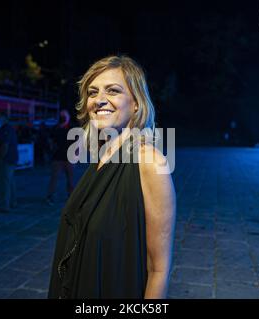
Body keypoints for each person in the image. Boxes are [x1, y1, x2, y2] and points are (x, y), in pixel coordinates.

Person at [48, 56, 176, 299]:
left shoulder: (150, 162)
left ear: (136, 103)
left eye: (113, 91)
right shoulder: (100, 157)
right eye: (92, 92)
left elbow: (158, 269)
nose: (99, 100)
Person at [45, 109, 74, 205]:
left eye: (64, 116)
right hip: (57, 157)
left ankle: (71, 196)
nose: (62, 118)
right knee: (54, 178)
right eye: (61, 116)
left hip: (69, 158)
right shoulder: (55, 128)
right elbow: (50, 140)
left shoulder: (71, 128)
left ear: (68, 117)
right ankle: (50, 196)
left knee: (70, 179)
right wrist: (52, 147)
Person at [0, 112, 19, 212]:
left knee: (4, 183)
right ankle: (12, 202)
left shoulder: (5, 130)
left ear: (3, 118)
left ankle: (5, 205)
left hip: (6, 160)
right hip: (10, 159)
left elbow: (5, 145)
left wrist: (0, 158)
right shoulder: (7, 129)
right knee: (10, 181)